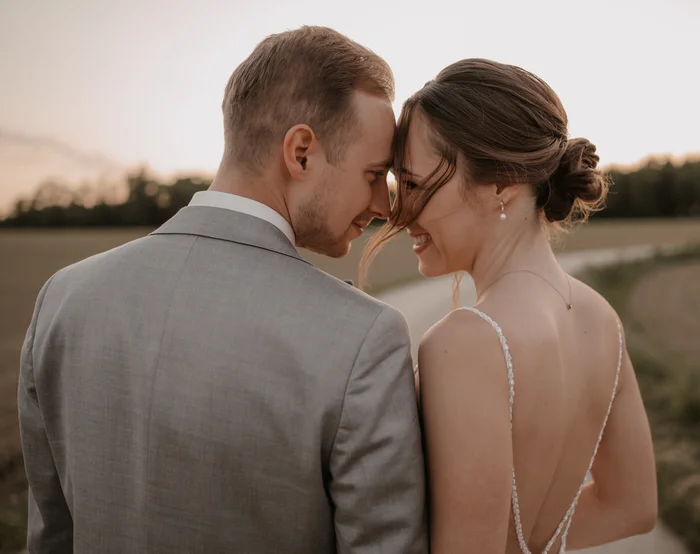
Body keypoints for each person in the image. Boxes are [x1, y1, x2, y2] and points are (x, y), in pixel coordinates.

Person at [18, 26, 427, 554]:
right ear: (301, 152)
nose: (383, 206)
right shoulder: (363, 339)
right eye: (374, 174)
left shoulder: (63, 298)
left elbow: (49, 538)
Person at [363, 58, 658, 553]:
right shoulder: (602, 319)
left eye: (413, 184)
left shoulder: (467, 342)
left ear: (501, 181)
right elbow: (630, 505)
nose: (397, 212)